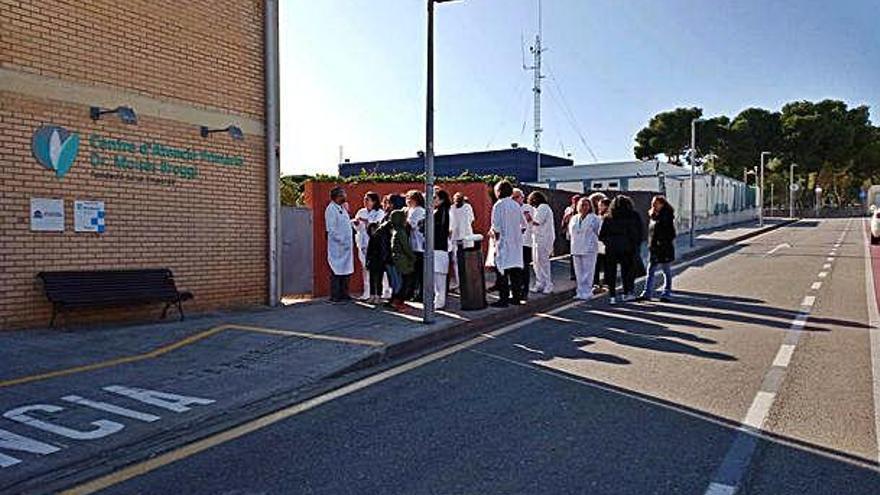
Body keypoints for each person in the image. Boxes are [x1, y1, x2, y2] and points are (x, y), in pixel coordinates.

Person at [599, 195, 643, 304]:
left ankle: (612, 296)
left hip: (611, 248)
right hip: (628, 248)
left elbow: (602, 235)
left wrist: (609, 242)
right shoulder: (634, 216)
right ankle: (627, 293)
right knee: (627, 272)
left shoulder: (608, 217)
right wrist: (635, 244)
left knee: (611, 272)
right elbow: (640, 232)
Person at [490, 180, 526, 308]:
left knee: (502, 272)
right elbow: (524, 224)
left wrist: (495, 240)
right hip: (516, 243)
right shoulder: (516, 205)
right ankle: (516, 298)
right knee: (515, 272)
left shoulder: (498, 205)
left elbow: (496, 227)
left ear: (499, 191)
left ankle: (503, 300)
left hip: (504, 243)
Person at [639, 195, 676, 302]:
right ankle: (647, 293)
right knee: (650, 271)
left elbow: (672, 234)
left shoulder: (667, 217)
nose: (653, 205)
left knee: (666, 271)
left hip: (664, 248)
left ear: (662, 204)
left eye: (656, 203)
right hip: (654, 249)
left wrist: (662, 242)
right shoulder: (653, 217)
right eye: (653, 203)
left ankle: (666, 293)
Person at [353, 191, 385, 300]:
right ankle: (367, 292)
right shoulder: (361, 211)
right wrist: (356, 224)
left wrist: (365, 221)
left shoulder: (379, 212)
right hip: (362, 243)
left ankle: (381, 292)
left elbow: (375, 225)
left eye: (368, 199)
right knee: (365, 268)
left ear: (374, 201)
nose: (365, 202)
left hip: (374, 244)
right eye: (364, 199)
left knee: (377, 269)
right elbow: (357, 227)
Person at [569, 197, 602, 300]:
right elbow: (570, 232)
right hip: (576, 247)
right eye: (582, 204)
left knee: (588, 271)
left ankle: (587, 291)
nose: (584, 207)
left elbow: (599, 232)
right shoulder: (574, 218)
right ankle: (580, 291)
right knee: (578, 272)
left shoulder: (595, 218)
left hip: (589, 247)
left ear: (590, 206)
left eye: (586, 205)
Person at [325, 186, 354, 302]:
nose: (345, 197)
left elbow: (345, 224)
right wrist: (342, 241)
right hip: (338, 247)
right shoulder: (331, 209)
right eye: (343, 195)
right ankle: (336, 296)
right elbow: (331, 230)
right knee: (336, 271)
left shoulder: (341, 208)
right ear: (337, 196)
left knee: (346, 271)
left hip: (346, 247)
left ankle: (345, 294)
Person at [528, 191, 555, 295]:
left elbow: (537, 222)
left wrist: (527, 217)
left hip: (544, 238)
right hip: (537, 238)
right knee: (536, 261)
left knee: (543, 261)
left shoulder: (543, 207)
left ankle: (548, 284)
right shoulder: (537, 209)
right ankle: (540, 283)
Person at [388, 209, 416, 311]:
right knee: (406, 281)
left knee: (401, 281)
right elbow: (406, 246)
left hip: (397, 258)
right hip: (402, 260)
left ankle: (397, 301)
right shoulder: (401, 232)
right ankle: (399, 302)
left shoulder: (395, 230)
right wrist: (413, 257)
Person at [448, 192, 475, 291]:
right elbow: (472, 219)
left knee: (456, 262)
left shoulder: (451, 208)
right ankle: (467, 283)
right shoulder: (468, 207)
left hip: (456, 238)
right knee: (466, 261)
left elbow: (450, 225)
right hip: (466, 237)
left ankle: (460, 284)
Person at [512, 188, 534, 300]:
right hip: (514, 243)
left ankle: (525, 291)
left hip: (525, 242)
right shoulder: (511, 208)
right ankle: (516, 290)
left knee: (524, 267)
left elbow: (529, 220)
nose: (515, 199)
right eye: (513, 197)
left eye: (517, 197)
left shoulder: (528, 207)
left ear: (522, 197)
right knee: (515, 268)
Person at [432, 189, 452, 309]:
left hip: (439, 248)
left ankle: (440, 301)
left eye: (435, 198)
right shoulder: (441, 212)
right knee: (437, 277)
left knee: (439, 277)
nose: (433, 200)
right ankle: (438, 300)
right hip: (439, 247)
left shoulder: (441, 212)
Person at [405, 190, 426, 301]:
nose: (407, 200)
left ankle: (420, 294)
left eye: (409, 198)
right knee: (415, 272)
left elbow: (410, 225)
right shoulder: (411, 210)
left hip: (419, 246)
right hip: (414, 244)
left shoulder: (418, 211)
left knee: (419, 272)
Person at [588, 193, 609, 293]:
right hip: (597, 245)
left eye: (601, 205)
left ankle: (604, 283)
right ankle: (596, 284)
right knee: (596, 265)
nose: (599, 207)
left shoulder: (607, 217)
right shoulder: (597, 216)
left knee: (605, 264)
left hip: (604, 244)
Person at [365, 222, 388, 304]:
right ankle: (374, 296)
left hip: (377, 262)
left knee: (376, 280)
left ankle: (376, 296)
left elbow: (370, 252)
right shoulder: (375, 238)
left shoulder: (377, 238)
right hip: (375, 262)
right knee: (375, 279)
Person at [561, 195, 581, 281]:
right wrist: (568, 216)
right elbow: (564, 222)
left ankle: (578, 273)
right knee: (573, 255)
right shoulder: (569, 209)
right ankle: (574, 274)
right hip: (571, 235)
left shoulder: (582, 210)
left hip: (580, 236)